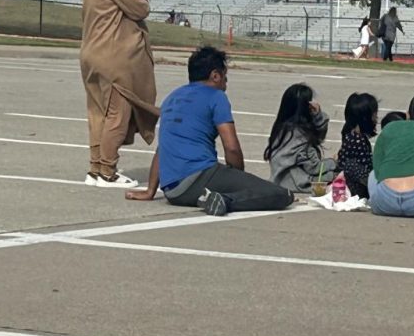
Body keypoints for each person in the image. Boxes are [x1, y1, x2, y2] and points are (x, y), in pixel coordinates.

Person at [125, 46, 294, 216]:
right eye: (225, 77)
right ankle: (224, 200)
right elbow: (231, 147)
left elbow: (163, 148)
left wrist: (150, 190)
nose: (226, 84)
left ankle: (211, 197)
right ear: (215, 75)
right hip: (199, 177)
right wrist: (237, 176)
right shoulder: (216, 97)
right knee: (281, 194)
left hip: (173, 192)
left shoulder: (172, 97)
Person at [79, 0, 160, 189]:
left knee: (97, 112)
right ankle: (108, 171)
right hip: (113, 57)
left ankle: (95, 167)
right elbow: (140, 8)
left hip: (91, 53)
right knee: (118, 113)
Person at [263, 83, 335, 192]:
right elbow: (314, 168)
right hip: (297, 183)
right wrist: (335, 162)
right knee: (338, 174)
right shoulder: (300, 136)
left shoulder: (281, 129)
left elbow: (318, 137)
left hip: (281, 179)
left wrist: (318, 117)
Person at [336, 92, 379, 199]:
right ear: (365, 118)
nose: (376, 118)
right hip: (356, 188)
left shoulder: (352, 136)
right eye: (374, 114)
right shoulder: (357, 140)